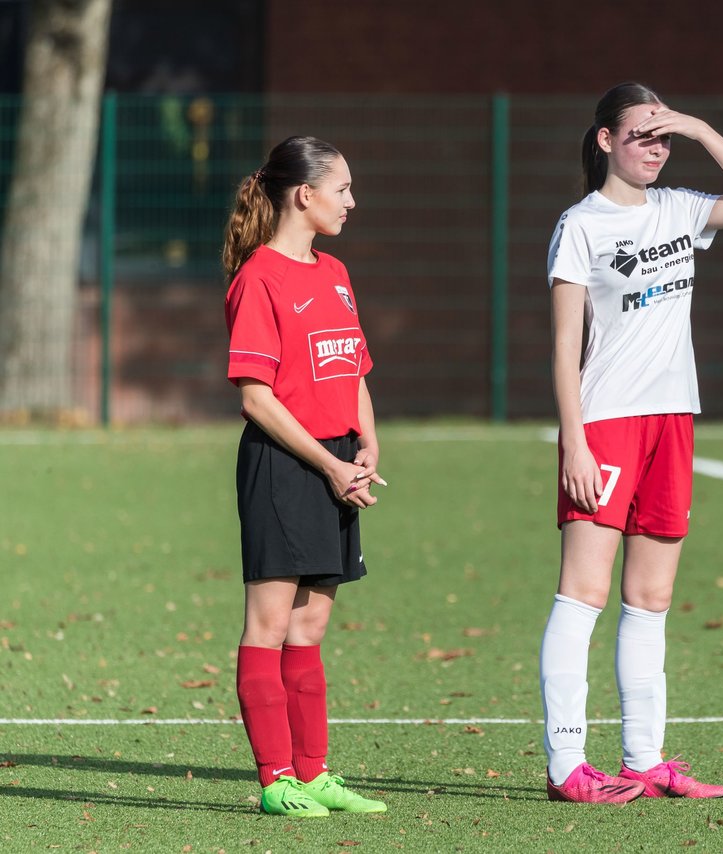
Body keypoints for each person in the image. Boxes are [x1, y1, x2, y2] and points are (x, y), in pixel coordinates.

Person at [540, 82, 723, 804]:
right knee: (583, 592)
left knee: (650, 596)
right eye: (643, 134)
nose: (656, 147)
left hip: (674, 417)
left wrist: (703, 130)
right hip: (607, 421)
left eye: (664, 136)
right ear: (606, 140)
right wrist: (574, 442)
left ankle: (645, 760)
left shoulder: (680, 208)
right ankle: (566, 767)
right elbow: (562, 344)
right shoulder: (580, 223)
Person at [223, 136, 388, 818]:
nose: (352, 201)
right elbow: (256, 398)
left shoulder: (336, 272)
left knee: (311, 628)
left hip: (337, 459)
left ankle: (315, 774)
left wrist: (367, 442)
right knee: (267, 625)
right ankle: (275, 781)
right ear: (304, 195)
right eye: (342, 189)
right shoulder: (258, 277)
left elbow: (351, 369)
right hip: (283, 465)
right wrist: (327, 465)